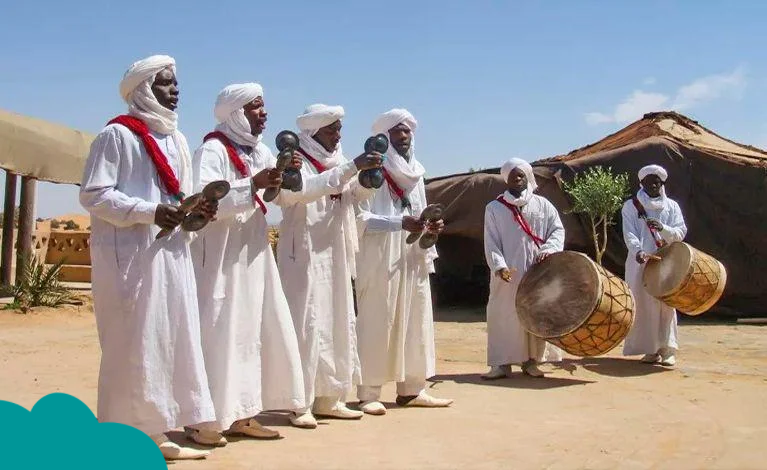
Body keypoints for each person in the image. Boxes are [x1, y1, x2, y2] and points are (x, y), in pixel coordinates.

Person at [80, 55, 216, 460]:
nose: (176, 91)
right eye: (166, 84)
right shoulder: (117, 136)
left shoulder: (175, 139)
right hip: (130, 258)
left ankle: (157, 430)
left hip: (171, 254)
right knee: (132, 343)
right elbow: (93, 194)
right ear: (143, 90)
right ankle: (125, 435)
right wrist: (148, 211)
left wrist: (196, 211)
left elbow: (176, 196)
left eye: (176, 84)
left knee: (166, 339)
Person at [186, 83, 309, 445]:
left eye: (263, 106)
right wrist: (249, 185)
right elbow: (202, 200)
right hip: (221, 254)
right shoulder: (212, 149)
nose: (264, 113)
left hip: (253, 250)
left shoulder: (261, 150)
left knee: (250, 331)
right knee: (219, 330)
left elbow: (276, 196)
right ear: (236, 112)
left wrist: (287, 173)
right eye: (256, 107)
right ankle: (204, 421)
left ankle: (243, 413)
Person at [275, 104, 383, 427]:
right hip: (304, 253)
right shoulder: (296, 161)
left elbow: (352, 196)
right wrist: (352, 167)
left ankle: (330, 398)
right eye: (331, 129)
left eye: (339, 129)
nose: (338, 135)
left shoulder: (338, 161)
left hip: (335, 250)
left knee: (337, 321)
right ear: (313, 132)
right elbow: (301, 193)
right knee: (307, 326)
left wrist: (366, 181)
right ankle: (300, 403)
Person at [353, 109, 453, 415]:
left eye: (408, 130)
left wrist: (429, 227)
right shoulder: (371, 172)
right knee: (377, 320)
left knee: (415, 320)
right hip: (380, 255)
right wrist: (398, 224)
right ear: (384, 137)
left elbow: (420, 212)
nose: (404, 135)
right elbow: (359, 219)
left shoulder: (417, 173)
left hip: (412, 256)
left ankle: (412, 389)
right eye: (397, 131)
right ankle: (368, 392)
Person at [482, 158, 565, 379]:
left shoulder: (543, 204)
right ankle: (500, 364)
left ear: (528, 177)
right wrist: (499, 266)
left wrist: (550, 249)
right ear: (506, 179)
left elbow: (557, 230)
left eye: (521, 175)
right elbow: (491, 241)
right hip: (509, 274)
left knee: (535, 313)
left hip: (538, 270)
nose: (517, 179)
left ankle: (532, 361)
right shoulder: (494, 208)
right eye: (512, 175)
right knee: (504, 315)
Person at [621, 164, 687, 366]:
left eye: (657, 182)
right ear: (642, 183)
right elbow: (629, 232)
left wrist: (664, 228)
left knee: (666, 305)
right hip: (640, 262)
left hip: (667, 263)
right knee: (642, 304)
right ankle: (650, 349)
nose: (653, 185)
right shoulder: (631, 206)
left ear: (662, 183)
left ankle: (668, 350)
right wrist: (637, 251)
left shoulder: (672, 206)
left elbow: (680, 232)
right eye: (649, 182)